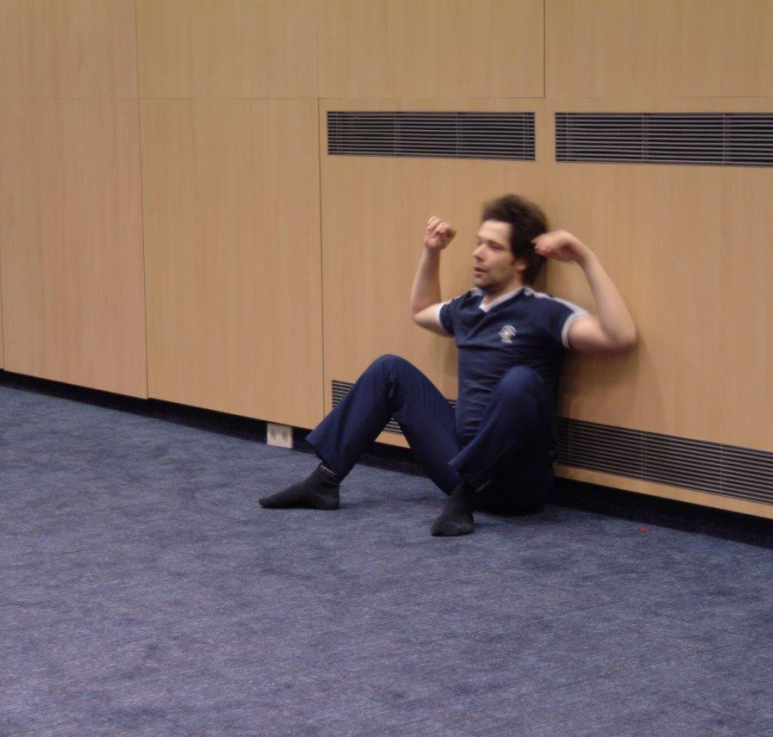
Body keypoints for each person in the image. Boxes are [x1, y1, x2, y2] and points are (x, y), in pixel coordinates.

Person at [259, 194, 637, 536]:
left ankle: (467, 495)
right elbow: (422, 310)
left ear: (521, 262)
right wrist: (432, 252)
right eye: (478, 243)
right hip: (457, 468)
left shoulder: (544, 311)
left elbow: (619, 337)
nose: (478, 253)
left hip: (519, 485)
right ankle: (324, 481)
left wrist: (585, 258)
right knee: (389, 369)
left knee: (522, 381)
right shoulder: (468, 307)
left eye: (493, 247)